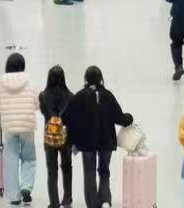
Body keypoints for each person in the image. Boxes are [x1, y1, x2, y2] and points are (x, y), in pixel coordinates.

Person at [61, 65, 132, 208]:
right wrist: (128, 118)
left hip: (87, 142)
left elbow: (65, 118)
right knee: (104, 171)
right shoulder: (108, 95)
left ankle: (92, 204)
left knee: (89, 172)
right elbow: (119, 117)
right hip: (106, 141)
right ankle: (105, 200)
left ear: (86, 79)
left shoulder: (79, 96)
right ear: (101, 79)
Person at [0, 53, 41, 208]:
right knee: (29, 157)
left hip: (9, 126)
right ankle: (26, 187)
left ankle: (14, 196)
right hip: (27, 125)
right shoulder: (30, 81)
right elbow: (37, 103)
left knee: (11, 159)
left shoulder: (1, 82)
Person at [39, 66, 74, 208]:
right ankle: (67, 198)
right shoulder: (71, 96)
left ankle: (54, 202)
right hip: (66, 136)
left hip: (50, 137)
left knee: (52, 171)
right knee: (67, 167)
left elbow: (44, 113)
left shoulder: (43, 95)